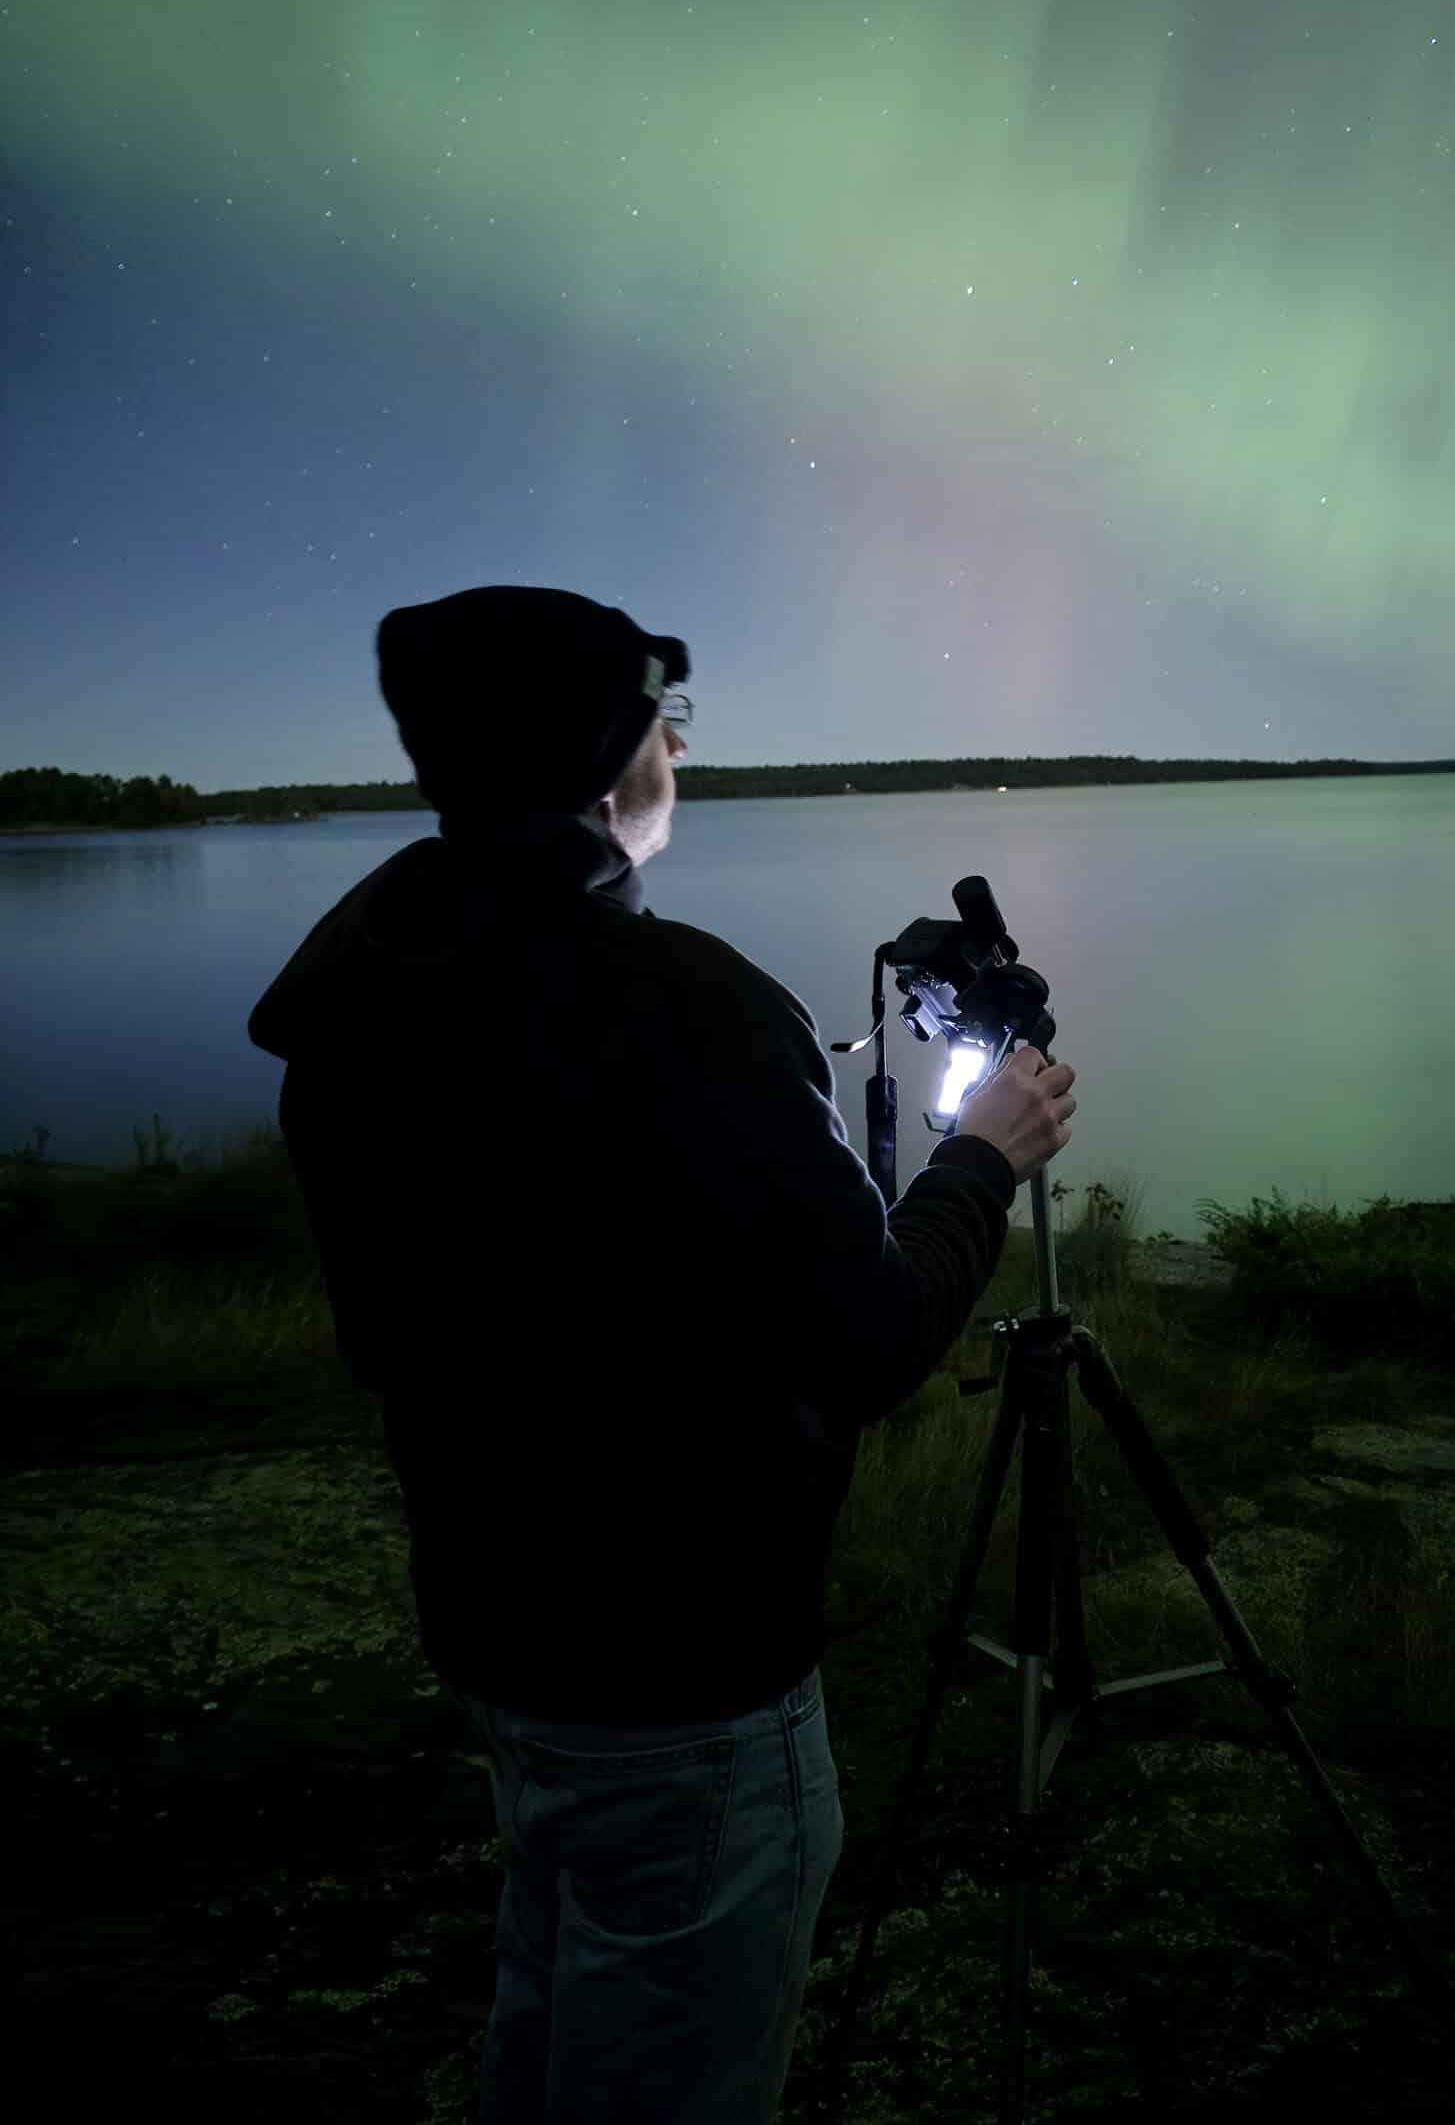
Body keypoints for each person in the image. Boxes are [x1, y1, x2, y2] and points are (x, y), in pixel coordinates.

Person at [246, 584, 1078, 2125]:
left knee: (557, 2023)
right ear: (610, 762)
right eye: (664, 730)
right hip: (687, 1682)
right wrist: (981, 1160)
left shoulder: (357, 992)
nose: (678, 763)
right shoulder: (687, 1012)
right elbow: (871, 1336)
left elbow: (423, 1320)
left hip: (503, 1627)